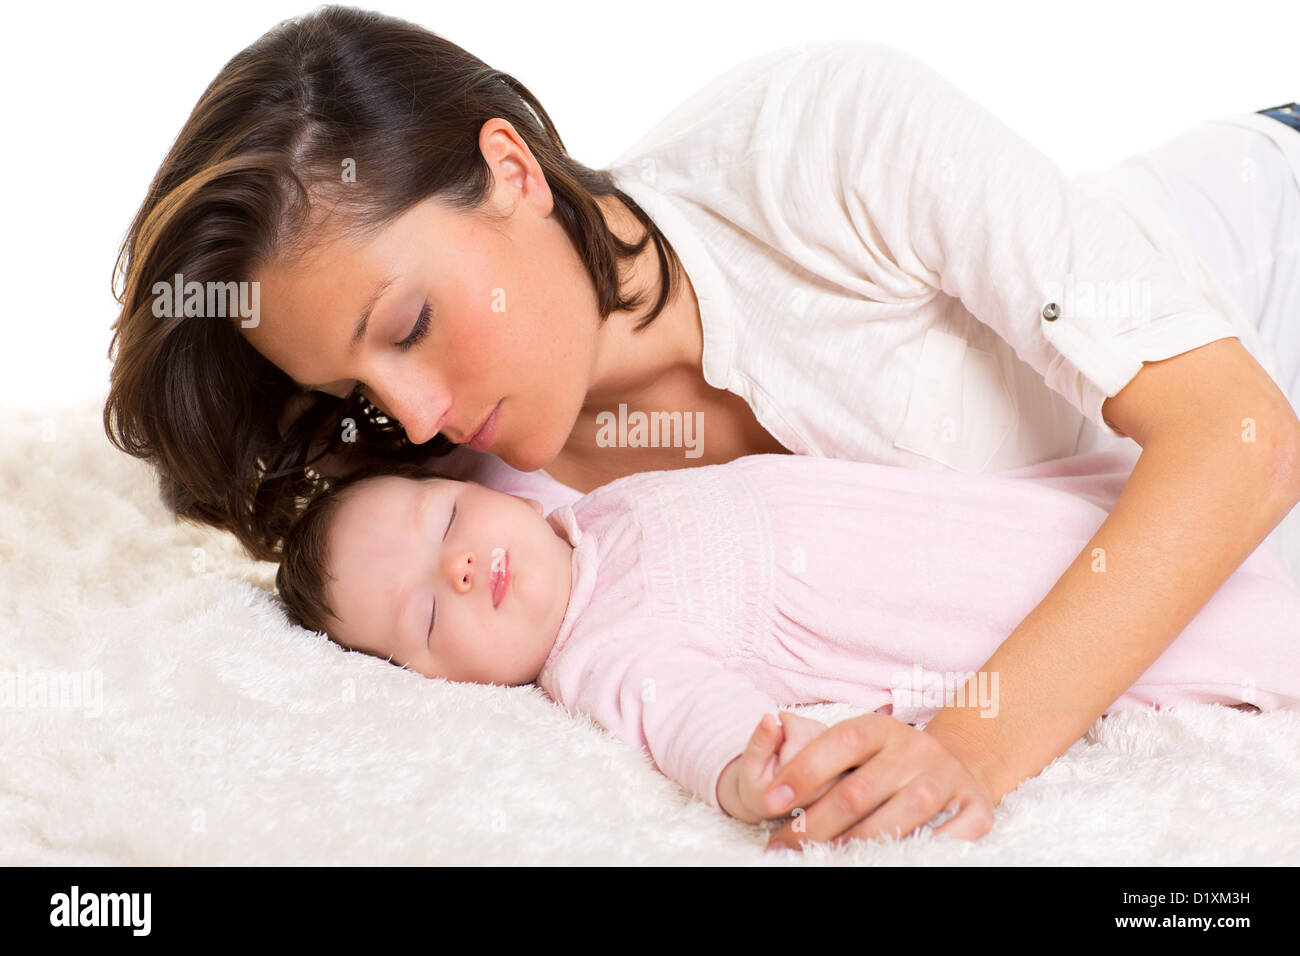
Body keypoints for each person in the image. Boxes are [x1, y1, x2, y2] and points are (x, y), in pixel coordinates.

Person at [103, 6, 1300, 846]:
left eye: (410, 321)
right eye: (362, 388)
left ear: (510, 168)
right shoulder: (491, 518)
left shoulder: (819, 142)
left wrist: (977, 745)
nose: (412, 412)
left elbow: (1239, 438)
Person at [272, 449, 1300, 829]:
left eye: (447, 518)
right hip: (974, 617)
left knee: (1183, 508)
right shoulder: (601, 652)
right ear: (434, 679)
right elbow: (684, 714)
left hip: (1010, 511)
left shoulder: (571, 509)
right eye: (428, 614)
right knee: (1225, 618)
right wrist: (743, 768)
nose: (457, 565)